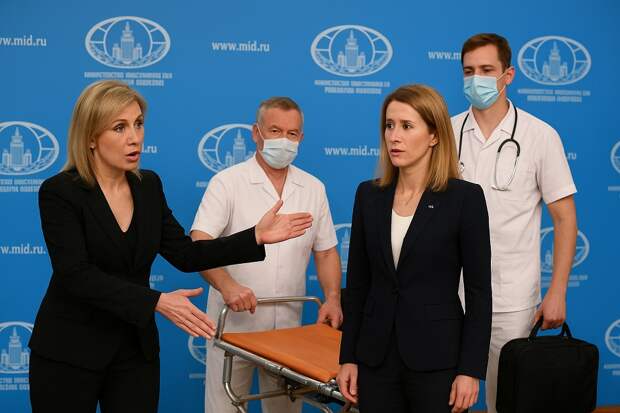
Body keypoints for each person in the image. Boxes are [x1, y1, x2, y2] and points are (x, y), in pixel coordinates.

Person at [28, 80, 313, 413]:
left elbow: (186, 254)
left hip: (134, 351)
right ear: (90, 137)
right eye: (120, 127)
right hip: (69, 351)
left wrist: (254, 237)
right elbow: (76, 275)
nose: (135, 137)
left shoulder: (148, 186)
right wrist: (157, 301)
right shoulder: (60, 191)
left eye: (138, 124)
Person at [336, 84, 492, 413]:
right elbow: (359, 284)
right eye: (389, 125)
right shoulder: (368, 195)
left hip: (438, 359)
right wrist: (348, 357)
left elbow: (479, 292)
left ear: (434, 135)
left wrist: (470, 370)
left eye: (407, 126)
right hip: (375, 358)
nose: (394, 136)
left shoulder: (465, 199)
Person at [190, 96, 343, 413]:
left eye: (292, 133)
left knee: (284, 409)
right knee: (224, 408)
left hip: (289, 330)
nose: (283, 140)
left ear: (301, 137)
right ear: (256, 133)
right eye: (275, 131)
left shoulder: (313, 188)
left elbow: (327, 251)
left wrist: (332, 298)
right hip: (234, 327)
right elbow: (200, 242)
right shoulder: (227, 183)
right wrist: (228, 286)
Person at [452, 33, 578, 413]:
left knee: (507, 403)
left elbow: (565, 218)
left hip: (511, 300)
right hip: (447, 296)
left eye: (486, 69)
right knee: (443, 400)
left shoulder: (540, 136)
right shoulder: (444, 133)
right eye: (469, 71)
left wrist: (557, 291)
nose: (477, 79)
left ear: (508, 75)